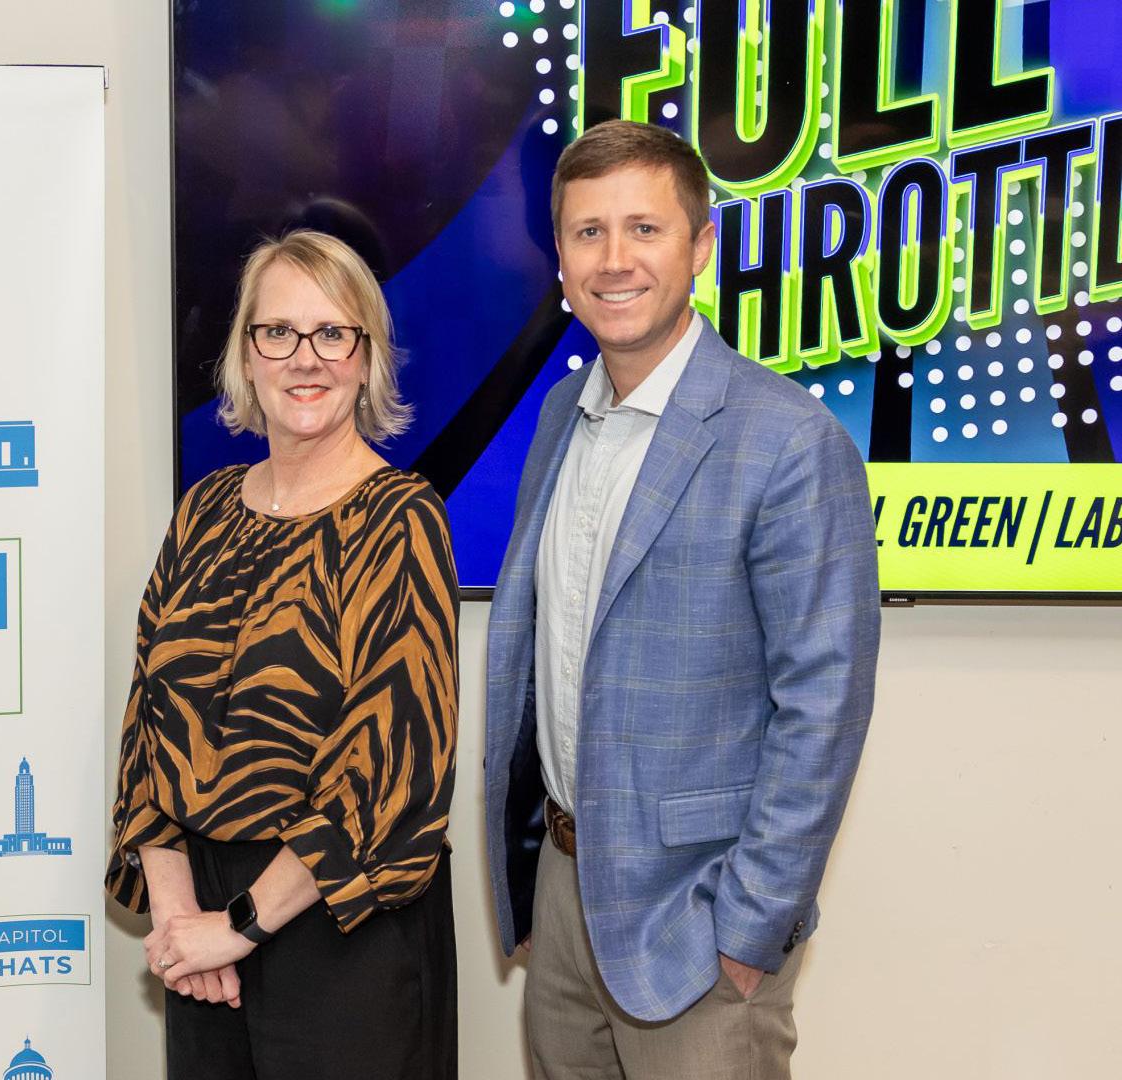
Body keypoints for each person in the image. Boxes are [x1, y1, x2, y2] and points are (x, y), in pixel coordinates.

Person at [482, 120, 879, 1079]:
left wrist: (748, 928)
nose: (614, 260)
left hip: (697, 926)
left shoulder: (789, 441)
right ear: (561, 258)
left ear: (700, 247)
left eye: (644, 229)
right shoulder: (560, 416)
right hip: (565, 902)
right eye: (588, 232)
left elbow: (824, 707)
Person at [108, 230, 460, 1078]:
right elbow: (149, 726)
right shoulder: (203, 511)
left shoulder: (401, 519)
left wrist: (239, 925)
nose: (305, 358)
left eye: (332, 333)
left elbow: (389, 768)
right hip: (202, 931)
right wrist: (183, 922)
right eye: (278, 332)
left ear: (366, 359)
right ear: (246, 354)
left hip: (343, 928)